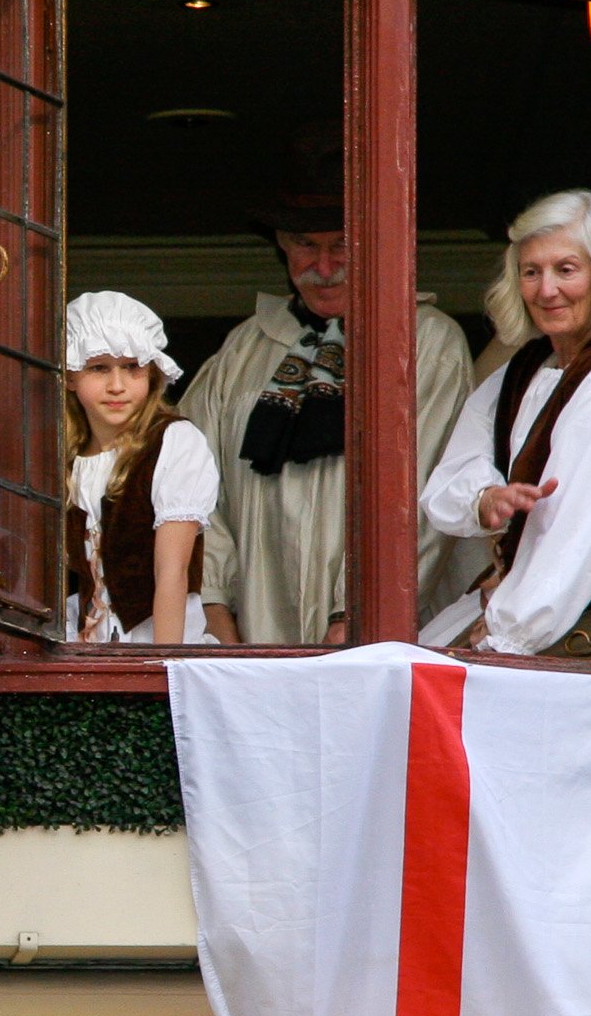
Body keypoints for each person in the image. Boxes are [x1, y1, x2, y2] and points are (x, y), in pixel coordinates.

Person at [178, 127, 472, 644]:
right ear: (281, 243)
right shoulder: (242, 350)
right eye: (305, 245)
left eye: (342, 245)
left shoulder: (425, 343)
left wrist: (354, 619)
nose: (324, 266)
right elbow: (192, 488)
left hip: (379, 643)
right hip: (247, 646)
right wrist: (214, 614)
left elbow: (423, 497)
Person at [417, 188, 591, 660]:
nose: (546, 290)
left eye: (566, 269)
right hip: (516, 607)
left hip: (580, 627)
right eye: (531, 272)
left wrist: (506, 638)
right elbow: (448, 482)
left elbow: (579, 539)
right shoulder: (527, 367)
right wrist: (485, 499)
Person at [61, 291, 220, 646]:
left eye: (132, 367)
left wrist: (161, 665)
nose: (117, 386)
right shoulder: (67, 456)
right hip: (89, 652)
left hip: (159, 647)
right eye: (99, 368)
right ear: (71, 376)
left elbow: (171, 572)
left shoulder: (173, 442)